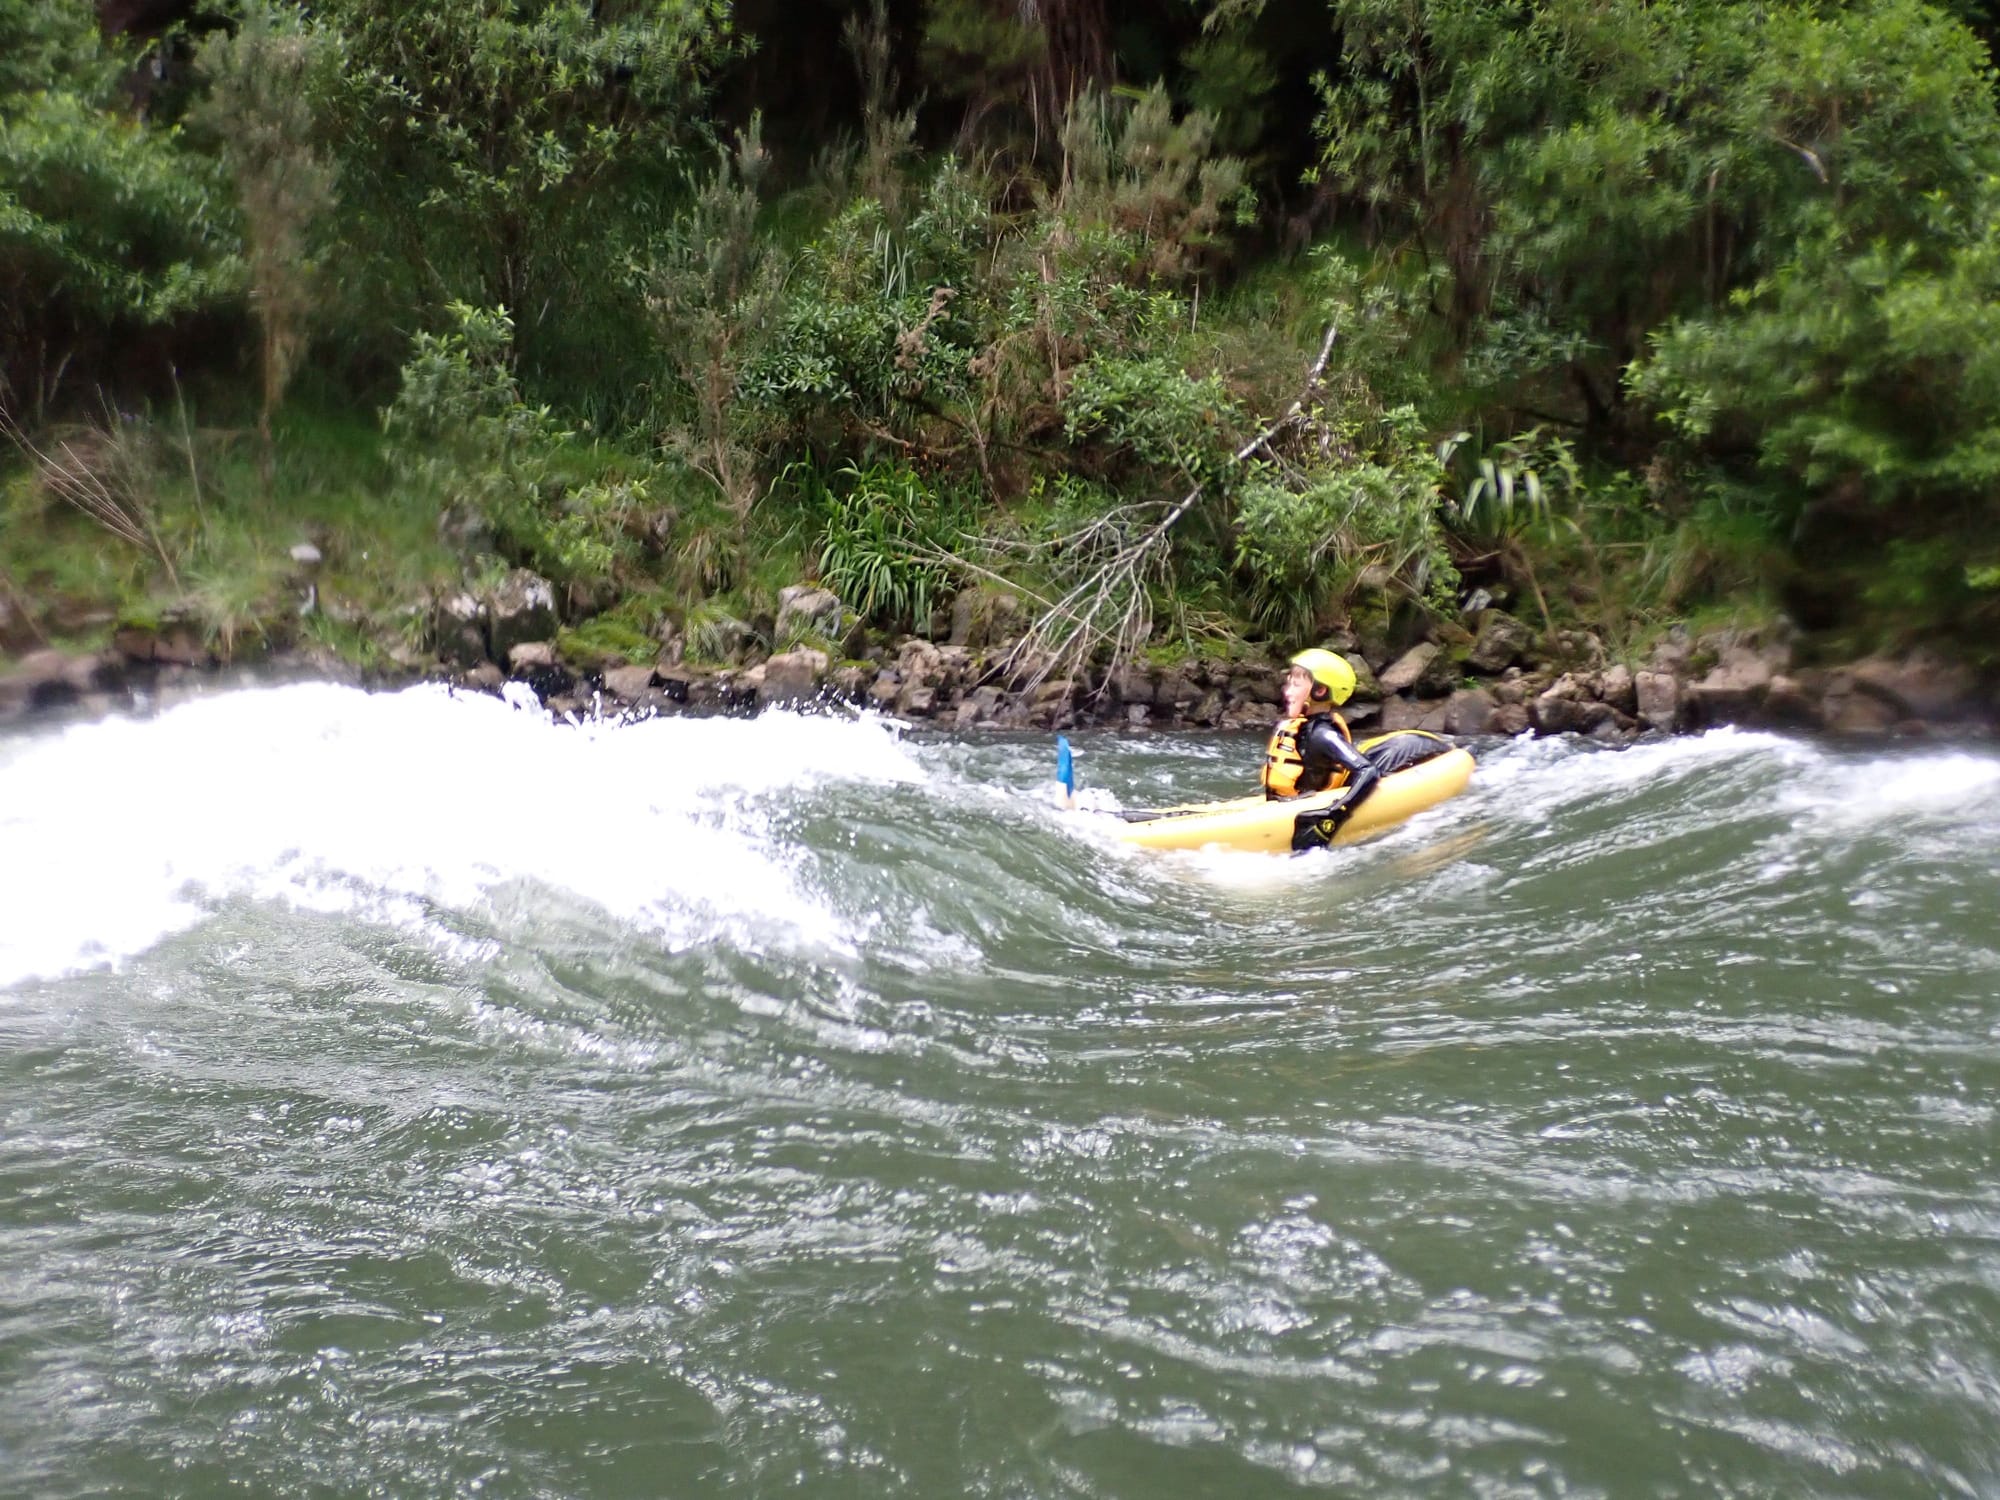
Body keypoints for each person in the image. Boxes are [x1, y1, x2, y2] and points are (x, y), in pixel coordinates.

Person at [1263, 647, 1380, 851]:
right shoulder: (1302, 728)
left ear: (1320, 691)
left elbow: (1368, 770)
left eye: (1295, 685)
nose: (1287, 692)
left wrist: (1335, 813)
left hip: (1306, 806)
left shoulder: (1322, 734)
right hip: (1287, 801)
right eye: (1288, 683)